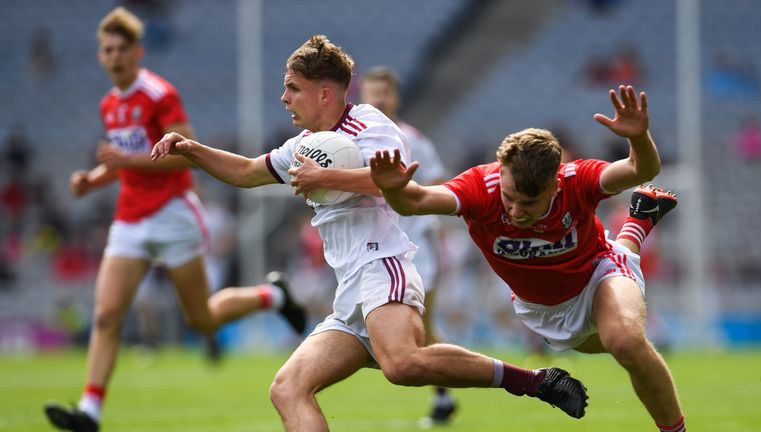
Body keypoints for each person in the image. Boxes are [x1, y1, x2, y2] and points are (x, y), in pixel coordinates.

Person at [151, 35, 588, 431]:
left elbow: (395, 179)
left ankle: (535, 381)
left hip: (384, 265)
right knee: (287, 388)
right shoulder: (304, 145)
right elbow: (247, 172)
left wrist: (328, 178)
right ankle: (534, 379)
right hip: (349, 290)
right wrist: (192, 150)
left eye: (292, 87)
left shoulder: (368, 125)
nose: (283, 97)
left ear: (324, 93)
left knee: (402, 365)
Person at [43, 8, 306, 432]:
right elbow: (122, 161)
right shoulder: (110, 104)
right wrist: (91, 181)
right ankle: (90, 410)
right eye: (107, 50)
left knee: (200, 318)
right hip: (130, 217)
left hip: (172, 214)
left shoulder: (159, 94)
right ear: (100, 56)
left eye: (121, 49)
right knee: (108, 313)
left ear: (137, 52)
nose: (114, 57)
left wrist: (124, 160)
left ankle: (272, 296)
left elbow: (184, 152)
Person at [370, 85, 686, 432]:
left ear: (554, 183)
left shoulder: (576, 179)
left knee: (626, 342)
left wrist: (639, 137)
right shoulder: (479, 189)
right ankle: (636, 225)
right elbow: (413, 203)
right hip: (543, 309)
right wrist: (392, 188)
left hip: (599, 272)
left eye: (529, 203)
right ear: (500, 172)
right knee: (606, 344)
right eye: (510, 198)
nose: (517, 211)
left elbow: (641, 169)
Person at [359, 66, 457, 425]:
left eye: (385, 91)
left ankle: (446, 394)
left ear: (396, 96)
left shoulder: (415, 140)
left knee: (423, 325)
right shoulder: (355, 139)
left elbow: (439, 186)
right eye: (372, 91)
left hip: (419, 246)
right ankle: (444, 392)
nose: (379, 98)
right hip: (377, 249)